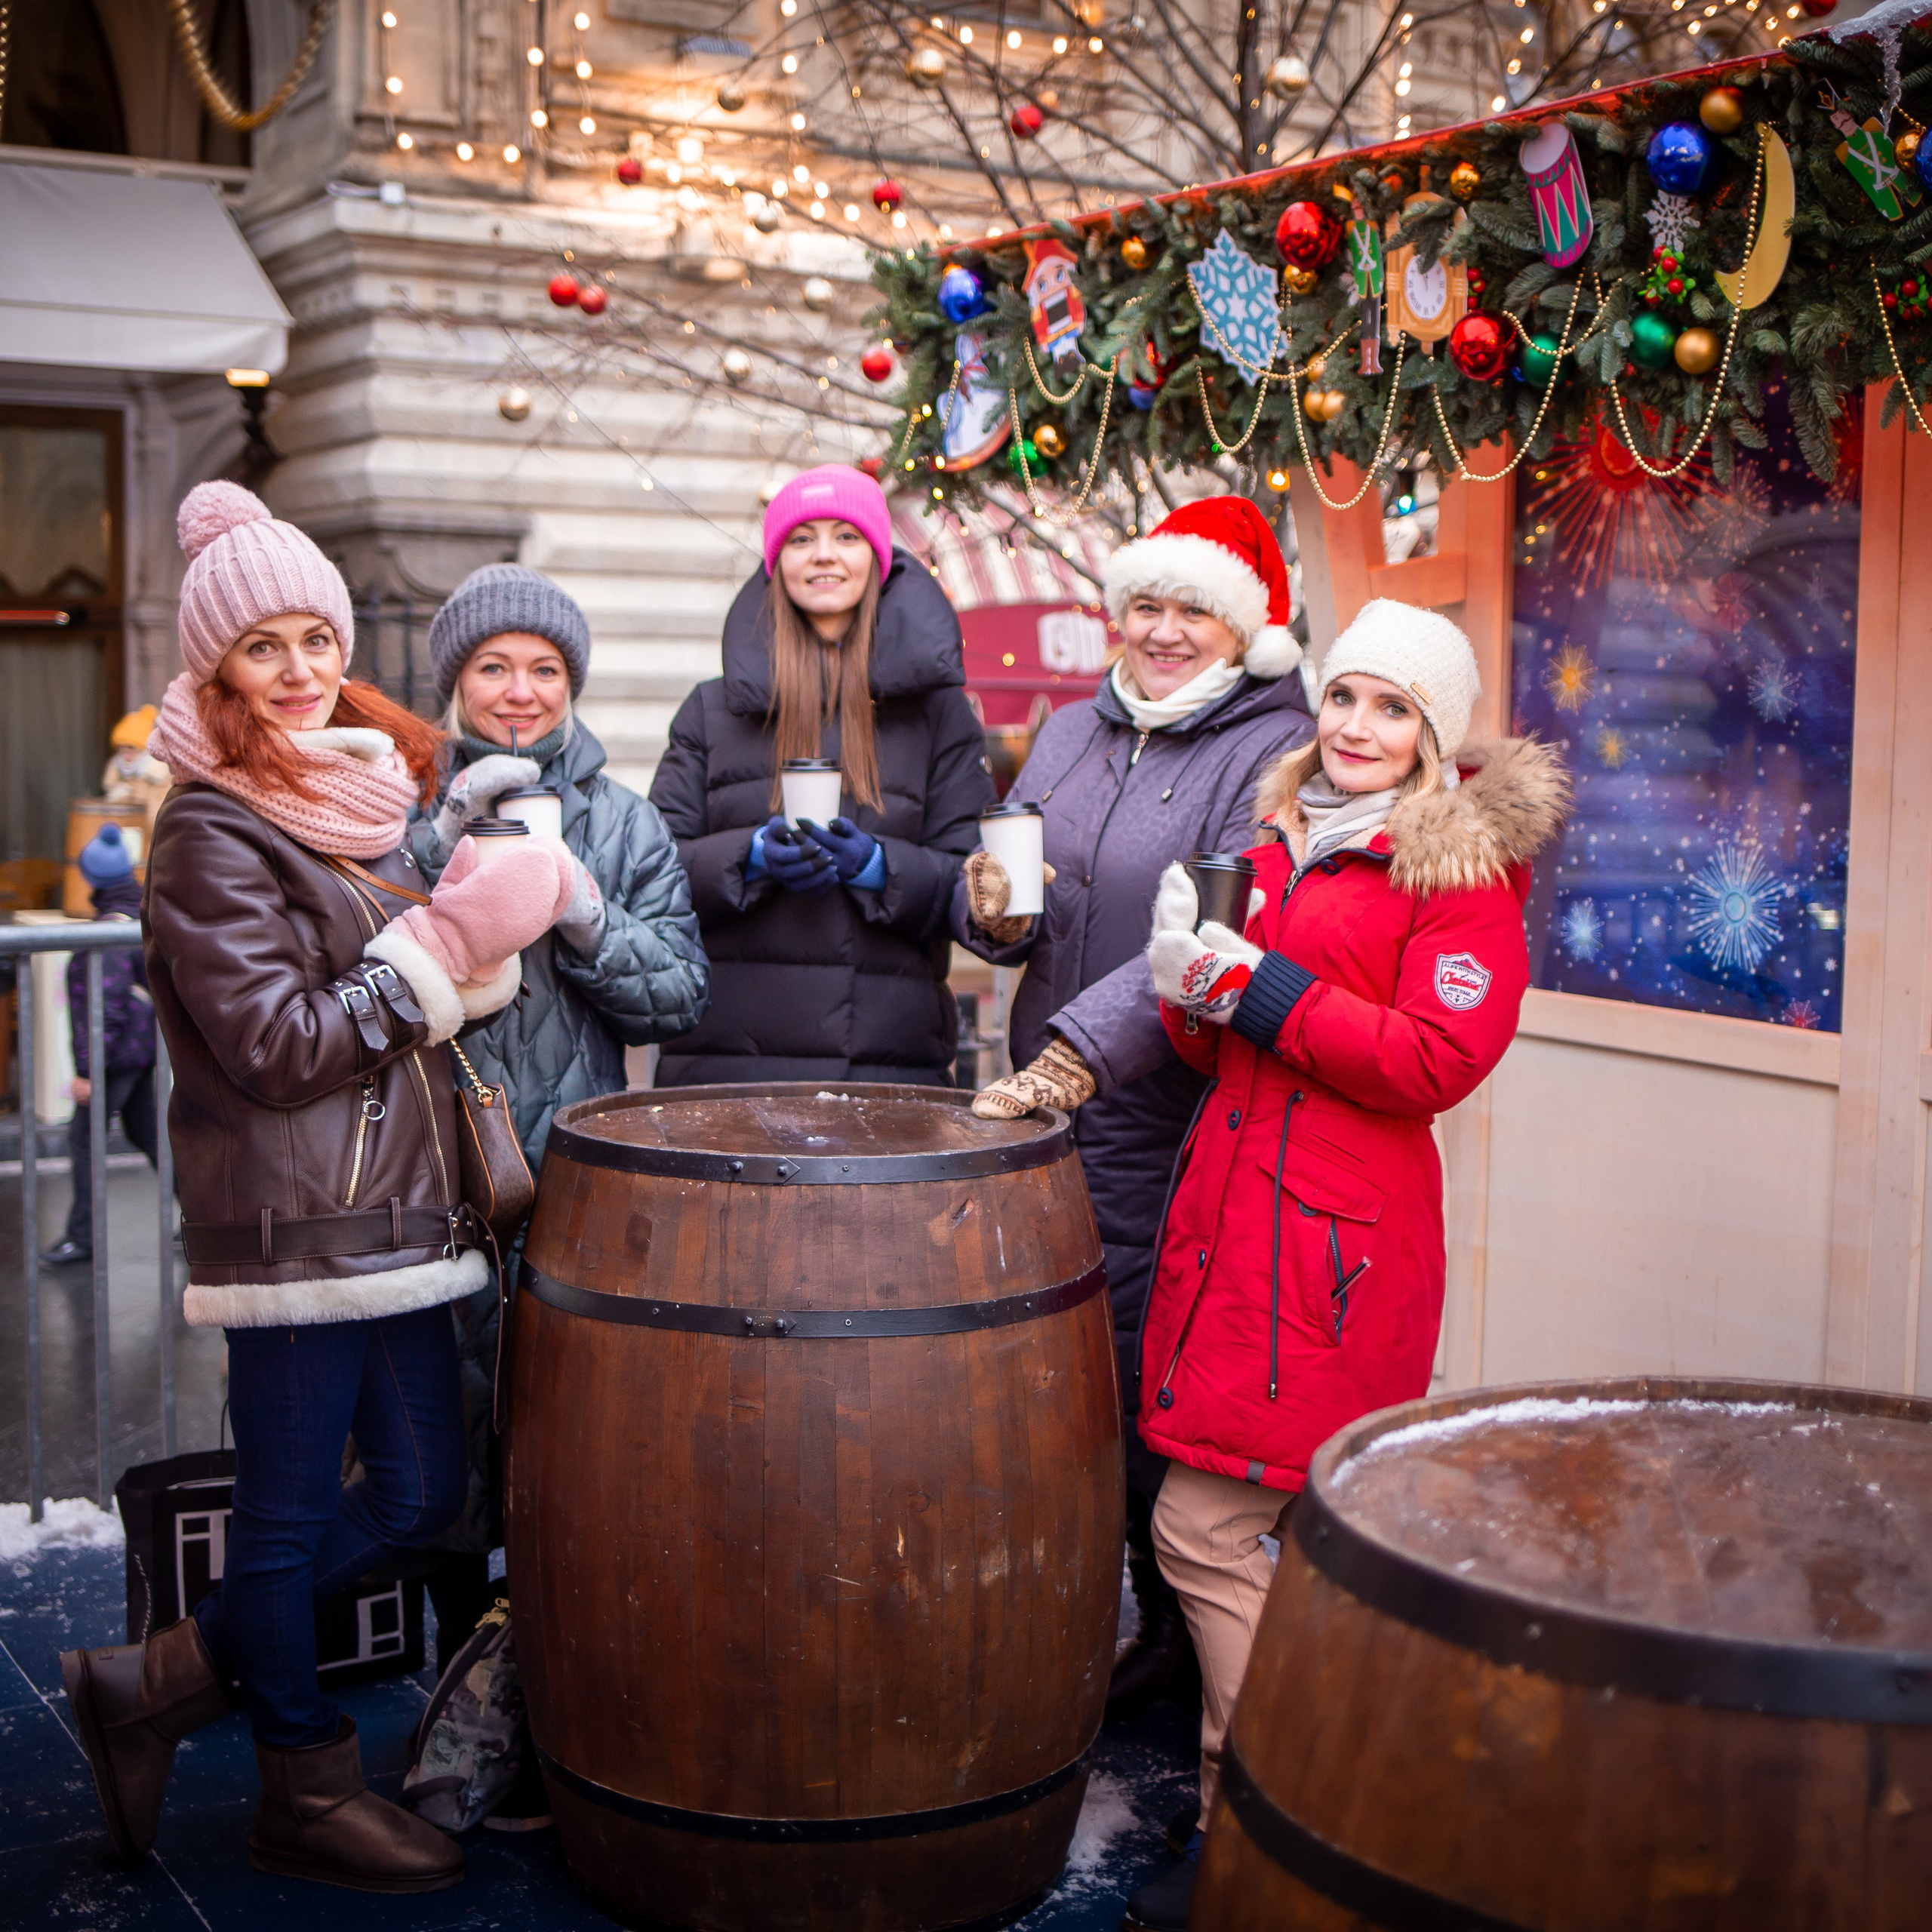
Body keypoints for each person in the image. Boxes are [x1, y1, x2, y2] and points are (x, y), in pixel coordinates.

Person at [59, 481, 575, 1894]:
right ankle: (299, 1772)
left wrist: (463, 922)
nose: (296, 672)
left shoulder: (346, 798)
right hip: (297, 1222)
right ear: (211, 665)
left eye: (314, 639)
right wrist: (434, 959)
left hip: (399, 1217)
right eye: (262, 648)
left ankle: (162, 1679)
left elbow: (384, 990)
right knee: (290, 1517)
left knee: (415, 1491)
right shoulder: (211, 827)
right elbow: (277, 1042)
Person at [1122, 598, 1567, 1931]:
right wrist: (1189, 986)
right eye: (1345, 699)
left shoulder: (1456, 871)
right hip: (1233, 1222)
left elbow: (1439, 1061)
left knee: (1201, 1528)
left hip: (1329, 1247)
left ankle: (1261, 1835)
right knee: (1284, 1534)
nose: (1358, 728)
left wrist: (1257, 986)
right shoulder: (1279, 840)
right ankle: (1316, 1822)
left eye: (1393, 708)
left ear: (1434, 735)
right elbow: (1226, 1047)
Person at [953, 497, 1312, 1722]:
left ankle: (1169, 1637)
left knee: (1149, 1382)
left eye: (1193, 611)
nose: (1161, 633)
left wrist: (1075, 1055)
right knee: (1056, 1378)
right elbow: (1015, 883)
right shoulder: (1069, 729)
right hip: (1047, 1110)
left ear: (1246, 627)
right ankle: (1092, 1612)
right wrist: (990, 908)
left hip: (1166, 1114)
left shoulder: (1274, 756)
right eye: (1145, 606)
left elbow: (1210, 937)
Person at [405, 562, 709, 1674]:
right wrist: (436, 856)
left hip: (565, 1172)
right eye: (494, 667)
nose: (520, 690)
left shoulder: (624, 823)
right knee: (434, 1440)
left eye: (544, 669)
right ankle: (455, 1674)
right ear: (457, 684)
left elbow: (677, 993)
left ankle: (546, 1673)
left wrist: (580, 906)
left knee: (556, 1434)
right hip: (423, 1168)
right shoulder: (402, 811)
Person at [648, 465, 995, 1084]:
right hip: (729, 1065)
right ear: (777, 563)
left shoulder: (940, 713)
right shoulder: (711, 708)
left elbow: (976, 885)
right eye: (802, 539)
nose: (824, 556)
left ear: (879, 557)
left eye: (847, 536)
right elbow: (653, 871)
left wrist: (880, 868)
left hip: (886, 1066)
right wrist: (748, 857)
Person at [39, 824, 160, 1269]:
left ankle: (83, 1237)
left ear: (91, 878)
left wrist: (89, 1070)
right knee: (149, 1135)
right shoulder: (137, 912)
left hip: (117, 1057)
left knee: (85, 1141)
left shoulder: (109, 932)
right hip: (140, 1048)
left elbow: (102, 1010)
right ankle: (202, 1222)